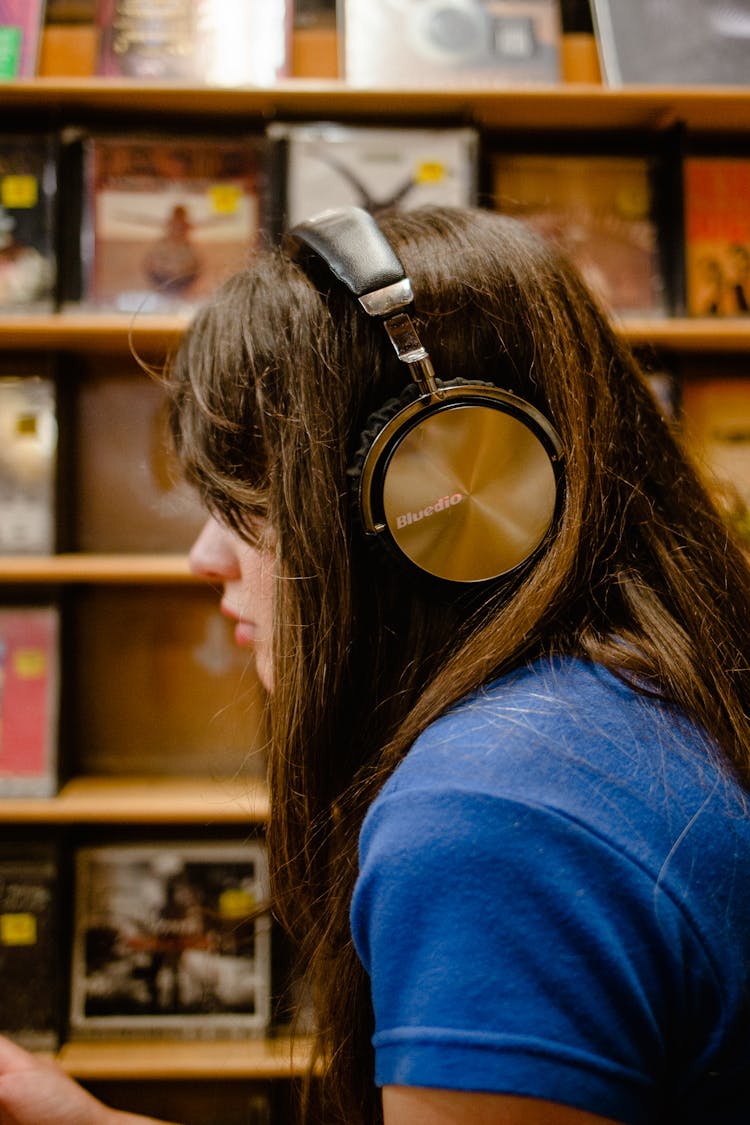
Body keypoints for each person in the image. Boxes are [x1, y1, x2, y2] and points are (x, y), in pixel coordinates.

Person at [3, 205, 750, 1125]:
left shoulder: (496, 819)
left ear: (428, 499)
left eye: (253, 499)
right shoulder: (623, 709)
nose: (205, 556)